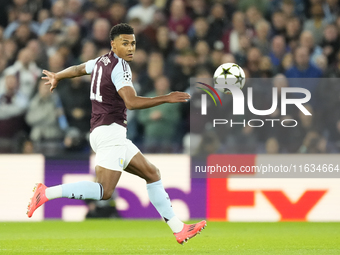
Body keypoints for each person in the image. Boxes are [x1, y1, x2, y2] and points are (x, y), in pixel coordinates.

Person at [27, 23, 206, 245]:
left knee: (152, 173)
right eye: (125, 43)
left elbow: (79, 69)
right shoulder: (120, 68)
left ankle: (179, 229)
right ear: (113, 44)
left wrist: (58, 76)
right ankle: (46, 193)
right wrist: (165, 97)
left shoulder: (101, 61)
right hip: (110, 132)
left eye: (133, 43)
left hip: (106, 132)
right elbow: (130, 102)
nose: (131, 48)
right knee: (104, 191)